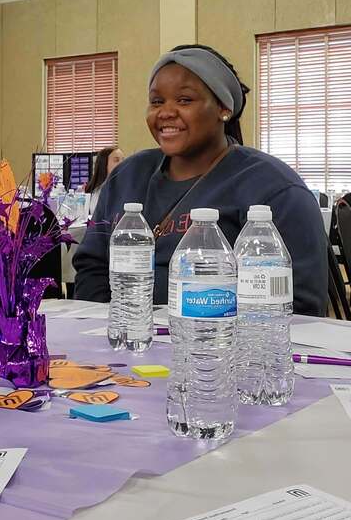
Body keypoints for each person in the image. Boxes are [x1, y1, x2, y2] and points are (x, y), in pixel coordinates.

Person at [73, 44, 329, 317]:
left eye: (184, 100)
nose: (166, 112)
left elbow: (300, 306)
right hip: (123, 343)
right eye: (157, 101)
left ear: (223, 108)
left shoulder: (273, 188)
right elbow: (92, 267)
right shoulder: (127, 177)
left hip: (222, 349)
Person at [85, 146, 124, 217]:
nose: (122, 163)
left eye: (123, 160)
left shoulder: (125, 187)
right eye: (116, 160)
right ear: (104, 164)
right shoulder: (99, 192)